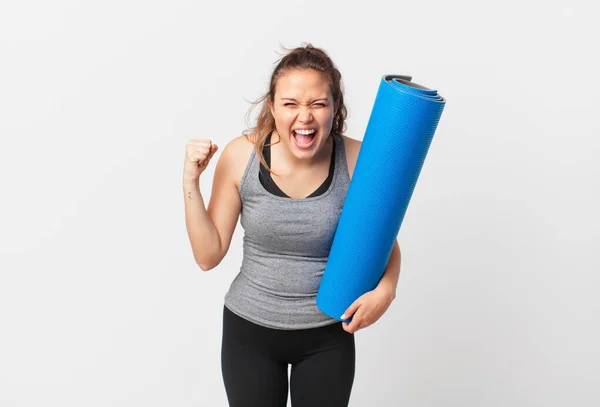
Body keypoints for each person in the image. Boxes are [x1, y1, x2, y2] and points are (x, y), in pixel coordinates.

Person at [182, 43, 401, 407]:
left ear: (335, 108)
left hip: (327, 334)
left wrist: (386, 291)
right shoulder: (241, 156)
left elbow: (383, 242)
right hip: (248, 332)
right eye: (290, 104)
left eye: (317, 104)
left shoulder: (357, 159)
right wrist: (190, 182)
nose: (305, 117)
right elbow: (208, 255)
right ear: (272, 106)